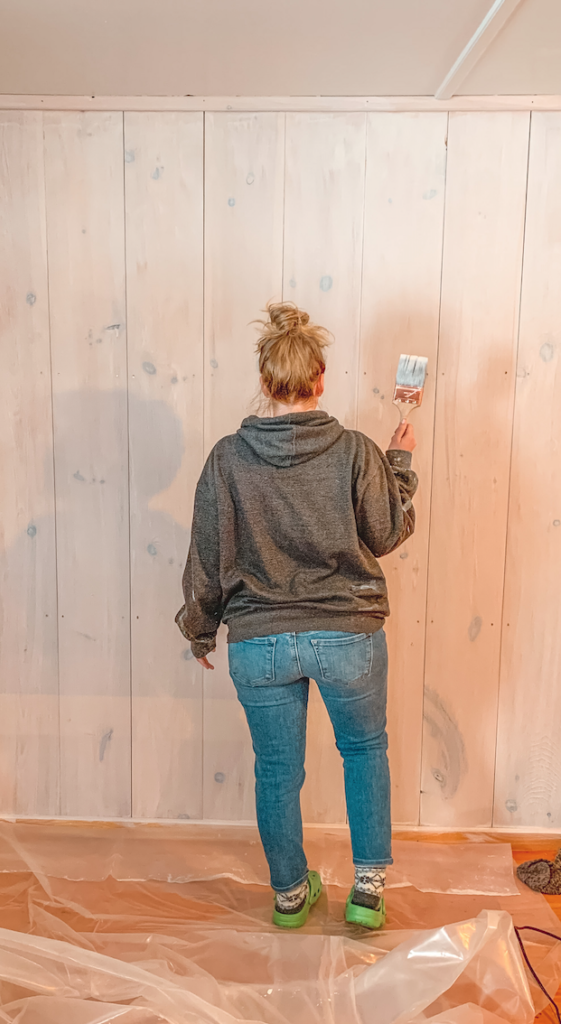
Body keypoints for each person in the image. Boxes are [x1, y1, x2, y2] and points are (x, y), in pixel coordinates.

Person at [176, 302, 418, 930]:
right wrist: (399, 464)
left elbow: (209, 551)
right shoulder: (357, 452)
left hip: (260, 643)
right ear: (321, 376)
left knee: (277, 770)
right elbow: (388, 532)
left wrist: (201, 628)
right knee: (364, 750)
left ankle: (290, 896)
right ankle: (366, 894)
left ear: (265, 380)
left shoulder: (228, 458)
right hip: (349, 636)